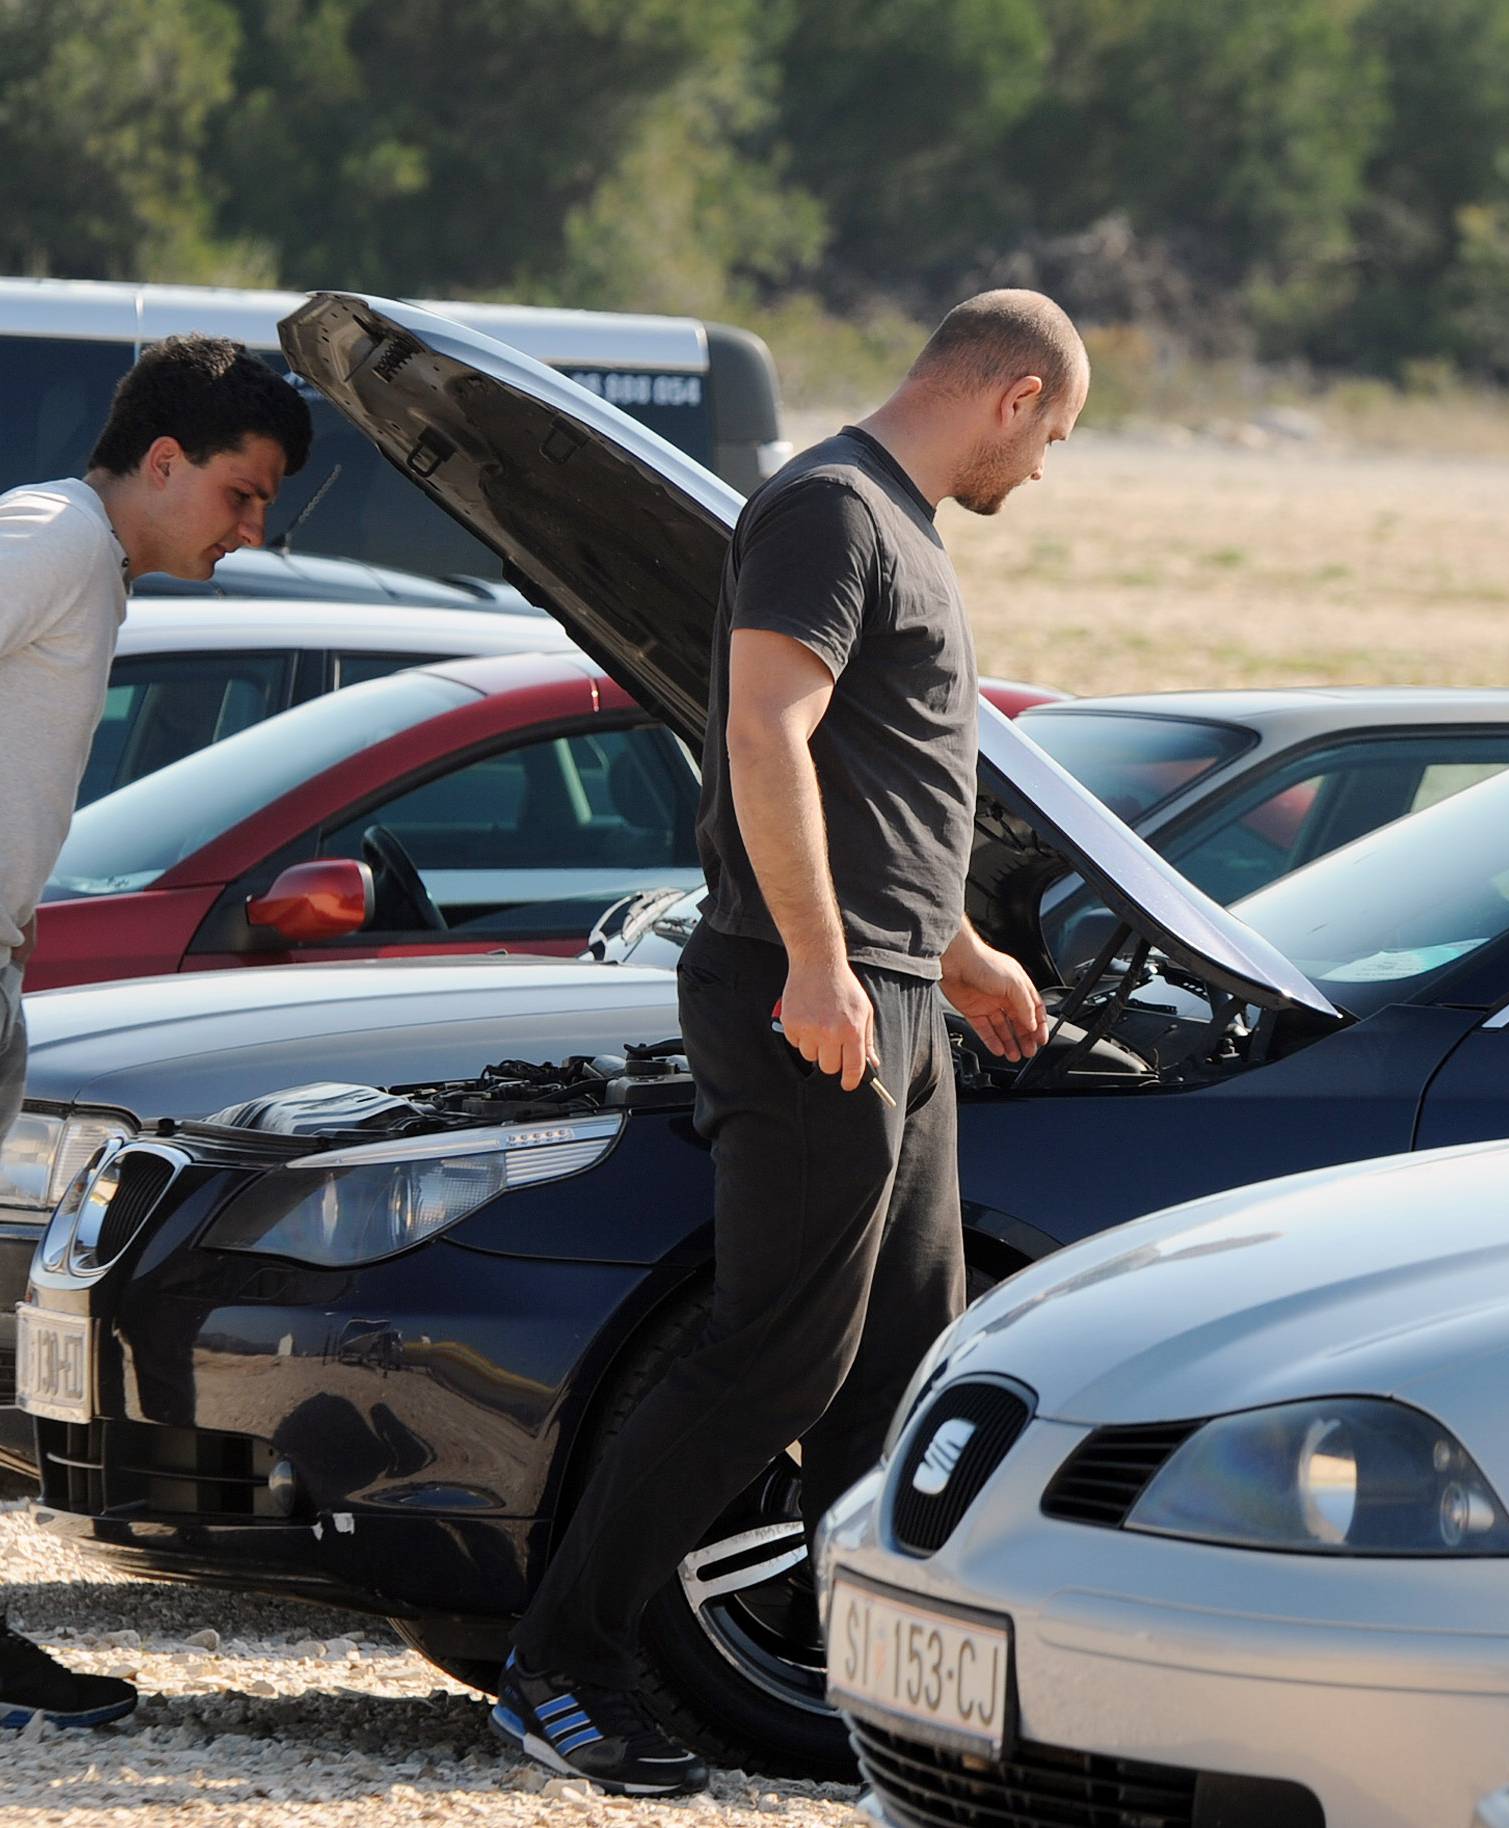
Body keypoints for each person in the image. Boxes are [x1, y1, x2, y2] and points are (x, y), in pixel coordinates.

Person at [493, 290, 1089, 1793]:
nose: (1047, 472)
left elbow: (882, 790)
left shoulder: (902, 526)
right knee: (774, 1360)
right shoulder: (828, 509)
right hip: (804, 992)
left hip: (892, 991)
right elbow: (764, 728)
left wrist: (955, 958)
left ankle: (877, 1708)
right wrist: (821, 964)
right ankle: (560, 1664)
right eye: (1058, 436)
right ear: (1011, 393)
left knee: (897, 1371)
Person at [0, 335, 311, 1731]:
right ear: (167, 460)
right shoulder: (54, 538)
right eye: (244, 495)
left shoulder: (79, 562)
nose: (253, 531)